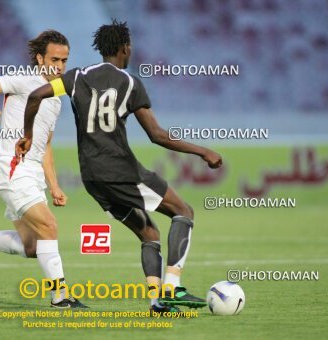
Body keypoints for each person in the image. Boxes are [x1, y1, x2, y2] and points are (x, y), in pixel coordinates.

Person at [15, 20, 223, 313]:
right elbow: (158, 135)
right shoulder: (130, 82)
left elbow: (36, 95)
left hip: (92, 178)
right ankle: (173, 289)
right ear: (125, 48)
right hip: (121, 171)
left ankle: (156, 301)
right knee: (183, 211)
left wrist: (26, 134)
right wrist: (203, 151)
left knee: (149, 233)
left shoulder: (76, 77)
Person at [0, 30, 87, 308]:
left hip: (32, 173)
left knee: (32, 247)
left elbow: (46, 146)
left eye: (64, 61)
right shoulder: (24, 80)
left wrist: (53, 185)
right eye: (54, 59)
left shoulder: (56, 96)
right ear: (40, 58)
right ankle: (60, 296)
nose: (60, 67)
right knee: (49, 226)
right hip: (13, 168)